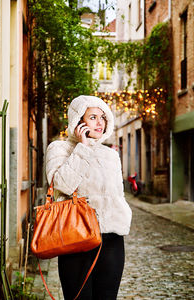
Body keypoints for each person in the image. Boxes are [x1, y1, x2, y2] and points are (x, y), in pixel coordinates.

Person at [46, 95, 132, 300]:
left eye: (103, 117)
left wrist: (122, 215)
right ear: (78, 120)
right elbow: (62, 184)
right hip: (76, 237)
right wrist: (82, 148)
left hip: (111, 239)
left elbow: (117, 194)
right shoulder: (59, 149)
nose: (100, 122)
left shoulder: (110, 155)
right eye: (93, 117)